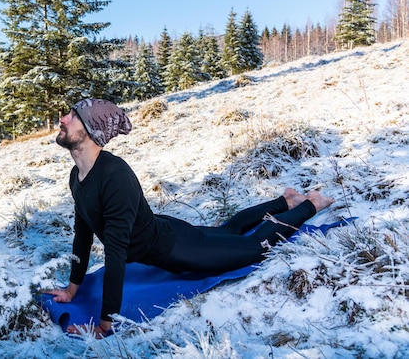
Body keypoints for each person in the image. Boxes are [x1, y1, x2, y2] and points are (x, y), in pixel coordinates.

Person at [47, 98, 335, 338]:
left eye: (73, 115)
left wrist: (104, 325)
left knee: (253, 248)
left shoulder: (115, 177)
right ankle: (286, 200)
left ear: (92, 129)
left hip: (180, 250)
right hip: (167, 232)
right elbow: (83, 234)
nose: (63, 118)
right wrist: (72, 290)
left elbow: (116, 251)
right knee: (230, 230)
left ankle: (311, 204)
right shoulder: (78, 176)